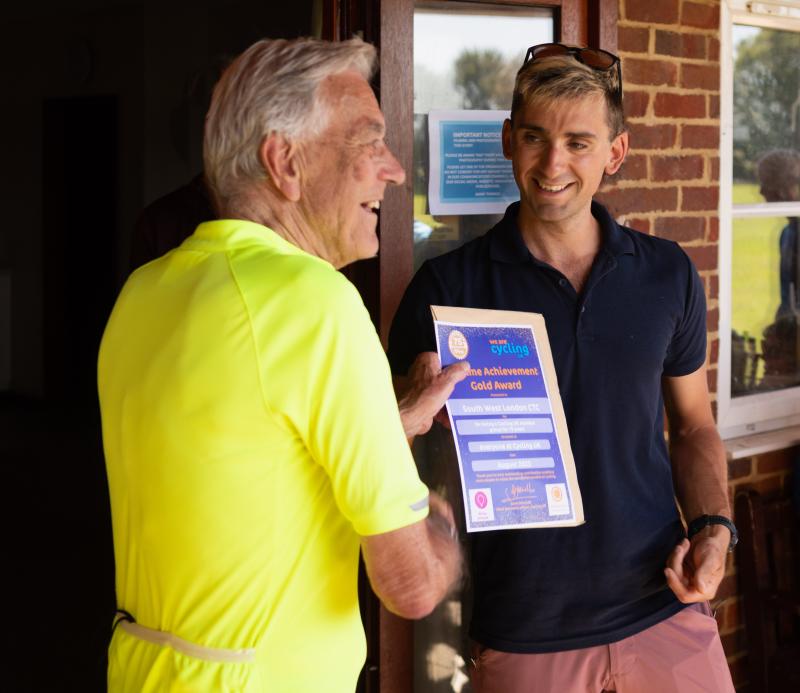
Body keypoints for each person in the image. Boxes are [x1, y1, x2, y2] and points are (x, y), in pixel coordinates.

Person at [98, 37, 468, 692]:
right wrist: (446, 526)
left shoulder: (143, 293)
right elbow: (409, 584)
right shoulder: (317, 301)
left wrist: (385, 424)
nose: (394, 170)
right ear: (284, 162)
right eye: (368, 143)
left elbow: (243, 457)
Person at [389, 43, 735, 692]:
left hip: (665, 606)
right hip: (526, 629)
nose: (553, 164)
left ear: (616, 153)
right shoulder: (445, 288)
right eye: (534, 138)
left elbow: (692, 426)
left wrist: (715, 527)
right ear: (507, 142)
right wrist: (407, 416)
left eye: (579, 142)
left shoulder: (666, 275)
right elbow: (380, 448)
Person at [755, 148, 800, 318]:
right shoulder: (787, 234)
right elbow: (788, 300)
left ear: (783, 189)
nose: (760, 191)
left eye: (764, 182)